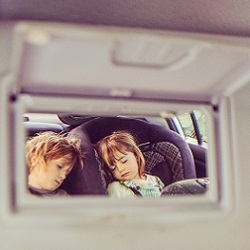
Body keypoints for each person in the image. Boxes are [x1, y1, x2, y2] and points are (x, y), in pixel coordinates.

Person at [96, 130, 165, 198]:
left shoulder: (155, 180)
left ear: (136, 156)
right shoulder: (117, 188)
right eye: (113, 168)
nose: (120, 169)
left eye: (124, 161)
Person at [26, 131, 83, 197]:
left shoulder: (63, 197)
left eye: (67, 173)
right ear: (34, 159)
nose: (63, 176)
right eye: (59, 166)